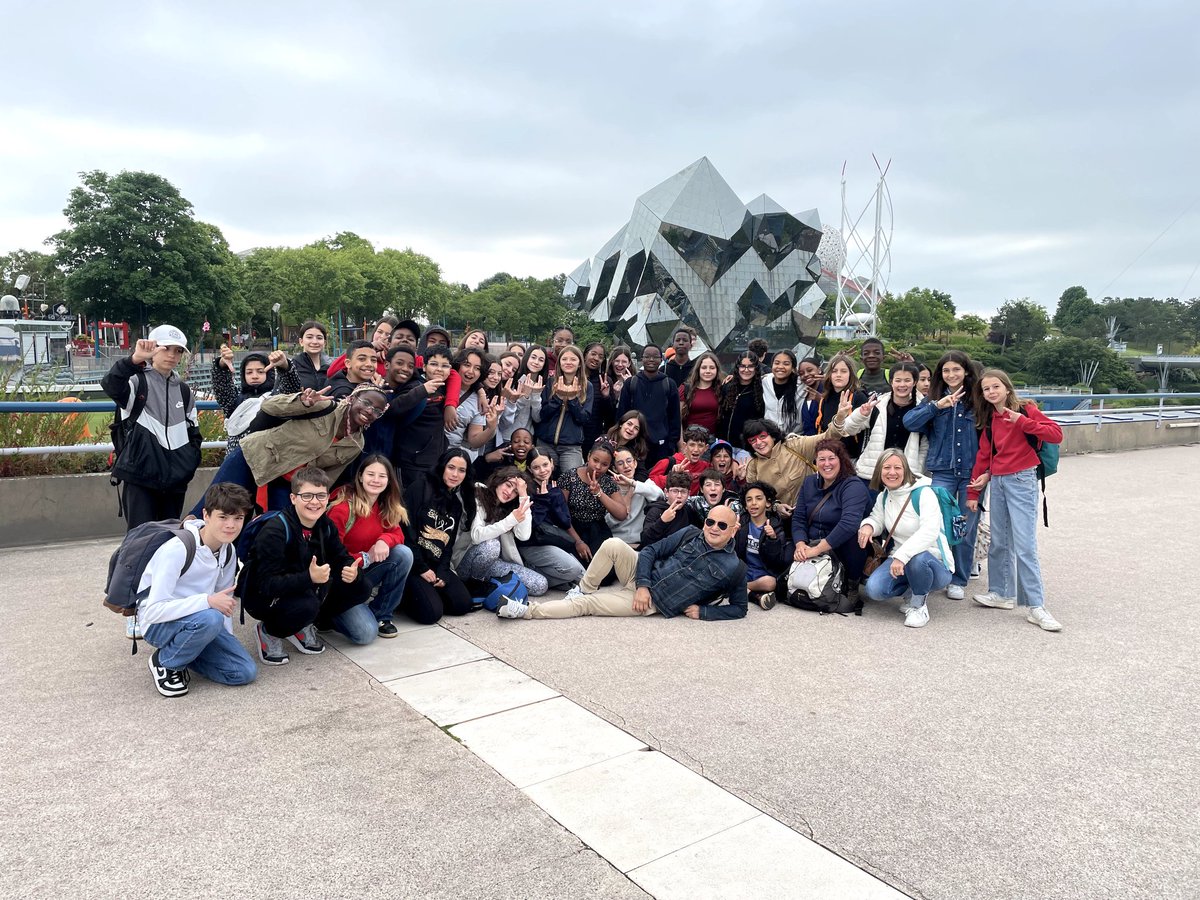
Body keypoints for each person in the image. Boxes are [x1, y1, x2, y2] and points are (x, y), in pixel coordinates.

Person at [496, 505, 747, 621]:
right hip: (642, 580)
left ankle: (526, 611)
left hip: (653, 602)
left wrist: (704, 612)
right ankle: (582, 587)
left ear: (733, 530)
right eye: (710, 522)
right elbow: (650, 552)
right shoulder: (691, 533)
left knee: (587, 605)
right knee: (612, 544)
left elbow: (739, 608)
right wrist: (642, 585)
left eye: (722, 525)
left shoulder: (735, 568)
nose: (713, 528)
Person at [239, 467, 374, 666]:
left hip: (306, 586)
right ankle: (269, 632)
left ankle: (303, 623)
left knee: (361, 586)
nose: (314, 502)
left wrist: (351, 571)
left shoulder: (325, 525)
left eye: (320, 496)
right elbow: (265, 584)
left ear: (328, 497)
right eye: (307, 495)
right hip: (266, 597)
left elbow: (340, 556)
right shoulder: (275, 531)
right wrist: (308, 578)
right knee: (306, 606)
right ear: (293, 498)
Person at [967, 368, 1064, 631]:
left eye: (995, 387)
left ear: (1007, 388)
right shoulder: (989, 418)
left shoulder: (1025, 409)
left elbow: (1055, 434)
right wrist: (976, 489)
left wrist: (1021, 421)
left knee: (1025, 545)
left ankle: (1036, 606)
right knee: (1000, 540)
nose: (991, 392)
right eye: (986, 389)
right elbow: (986, 455)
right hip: (997, 481)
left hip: (1022, 480)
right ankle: (1001, 593)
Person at [197, 383, 388, 516]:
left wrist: (314, 501)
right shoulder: (323, 405)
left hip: (287, 484)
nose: (370, 411)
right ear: (353, 398)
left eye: (377, 411)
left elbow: (328, 478)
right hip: (255, 458)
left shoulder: (356, 444)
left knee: (272, 526)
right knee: (214, 509)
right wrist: (302, 402)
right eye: (367, 403)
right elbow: (269, 406)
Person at [140, 483, 257, 697]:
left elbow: (224, 604)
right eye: (223, 517)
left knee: (244, 672)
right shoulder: (177, 550)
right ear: (206, 514)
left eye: (238, 518)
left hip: (201, 621)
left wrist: (226, 641)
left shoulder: (228, 550)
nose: (231, 525)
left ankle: (185, 654)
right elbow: (153, 612)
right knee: (210, 618)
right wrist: (207, 601)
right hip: (158, 625)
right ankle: (165, 662)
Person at [102, 325, 201, 530]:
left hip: (175, 483)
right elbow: (111, 384)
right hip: (140, 479)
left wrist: (187, 466)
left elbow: (194, 433)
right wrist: (134, 360)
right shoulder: (136, 381)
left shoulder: (184, 391)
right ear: (153, 349)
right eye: (166, 348)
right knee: (140, 542)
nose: (172, 355)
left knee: (169, 542)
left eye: (178, 351)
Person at [903, 350, 982, 600]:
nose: (951, 375)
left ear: (966, 371)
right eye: (946, 371)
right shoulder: (934, 398)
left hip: (972, 472)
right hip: (943, 470)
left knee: (965, 526)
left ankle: (959, 578)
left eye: (956, 369)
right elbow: (910, 422)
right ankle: (941, 569)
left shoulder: (977, 398)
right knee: (938, 523)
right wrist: (938, 406)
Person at [858, 449, 955, 628]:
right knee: (875, 589)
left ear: (906, 470)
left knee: (917, 559)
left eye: (897, 467)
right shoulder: (884, 496)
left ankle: (919, 606)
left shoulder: (924, 493)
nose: (892, 472)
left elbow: (929, 532)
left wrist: (902, 556)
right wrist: (868, 525)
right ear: (880, 471)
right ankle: (913, 590)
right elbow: (877, 518)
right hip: (901, 559)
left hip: (933, 561)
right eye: (887, 467)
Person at [326, 455, 415, 639]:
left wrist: (384, 540)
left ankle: (382, 614)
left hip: (363, 574)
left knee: (403, 554)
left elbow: (398, 534)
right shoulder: (343, 507)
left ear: (389, 480)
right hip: (342, 579)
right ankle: (326, 616)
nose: (376, 480)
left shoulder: (385, 504)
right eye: (370, 474)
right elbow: (330, 554)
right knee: (365, 635)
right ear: (360, 476)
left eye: (382, 476)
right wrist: (365, 557)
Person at [459, 467, 585, 595]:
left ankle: (491, 585)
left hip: (494, 564)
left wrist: (523, 497)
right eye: (508, 485)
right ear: (498, 481)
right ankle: (474, 588)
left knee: (540, 585)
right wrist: (510, 521)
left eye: (515, 491)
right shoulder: (479, 493)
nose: (509, 492)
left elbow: (523, 535)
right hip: (467, 561)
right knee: (491, 546)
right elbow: (476, 536)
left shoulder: (509, 508)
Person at [791, 439, 872, 613]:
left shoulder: (853, 485)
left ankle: (852, 585)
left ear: (841, 460)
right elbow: (799, 518)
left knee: (855, 536)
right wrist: (800, 544)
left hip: (839, 545)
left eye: (831, 458)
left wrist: (816, 550)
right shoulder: (809, 482)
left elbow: (849, 524)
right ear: (816, 462)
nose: (826, 464)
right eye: (821, 459)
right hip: (811, 542)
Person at [742, 394, 851, 516]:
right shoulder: (753, 466)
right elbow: (754, 497)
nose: (759, 443)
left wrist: (840, 416)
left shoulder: (795, 446)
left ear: (772, 436)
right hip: (782, 522)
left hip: (815, 512)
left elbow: (829, 437)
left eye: (762, 437)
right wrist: (775, 507)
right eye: (753, 440)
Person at [402, 449, 476, 623]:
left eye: (461, 470)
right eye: (451, 467)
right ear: (442, 466)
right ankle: (408, 597)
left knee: (463, 605)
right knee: (431, 615)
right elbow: (406, 532)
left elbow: (448, 545)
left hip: (435, 565)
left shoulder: (456, 505)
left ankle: (427, 595)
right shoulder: (420, 487)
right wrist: (421, 568)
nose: (455, 474)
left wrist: (442, 572)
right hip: (413, 564)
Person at [842, 362, 926, 482]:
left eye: (907, 380)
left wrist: (917, 469)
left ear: (915, 382)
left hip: (906, 478)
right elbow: (847, 429)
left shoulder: (922, 410)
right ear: (891, 382)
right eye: (898, 380)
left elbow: (924, 446)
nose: (902, 385)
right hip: (872, 475)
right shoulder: (877, 405)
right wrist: (860, 414)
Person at [392, 346, 451, 488]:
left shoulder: (444, 387)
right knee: (406, 504)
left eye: (445, 366)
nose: (439, 369)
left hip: (433, 461)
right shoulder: (414, 385)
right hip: (410, 463)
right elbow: (393, 408)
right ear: (424, 367)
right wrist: (422, 391)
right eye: (434, 364)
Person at [524, 449, 594, 565]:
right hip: (538, 541)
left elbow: (565, 521)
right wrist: (543, 500)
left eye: (545, 465)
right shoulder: (528, 489)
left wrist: (555, 496)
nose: (542, 470)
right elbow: (533, 524)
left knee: (586, 563)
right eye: (536, 467)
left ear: (551, 463)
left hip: (556, 535)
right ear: (529, 469)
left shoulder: (553, 487)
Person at [617, 344, 680, 469]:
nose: (651, 360)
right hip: (634, 443)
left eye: (655, 357)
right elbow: (621, 414)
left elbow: (675, 417)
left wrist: (671, 443)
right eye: (647, 356)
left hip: (661, 445)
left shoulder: (669, 384)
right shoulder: (631, 383)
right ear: (642, 358)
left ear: (661, 359)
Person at [559, 438, 627, 554]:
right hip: (572, 528)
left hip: (597, 530)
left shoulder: (607, 482)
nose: (598, 467)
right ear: (588, 456)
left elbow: (622, 514)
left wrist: (599, 493)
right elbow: (561, 514)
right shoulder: (569, 477)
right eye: (595, 460)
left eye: (604, 464)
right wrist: (578, 542)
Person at [534, 344, 593, 473]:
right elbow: (542, 415)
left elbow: (584, 418)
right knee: (542, 479)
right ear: (559, 362)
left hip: (571, 446)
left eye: (573, 359)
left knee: (573, 481)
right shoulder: (550, 382)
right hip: (545, 442)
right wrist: (558, 398)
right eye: (564, 359)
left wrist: (572, 400)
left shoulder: (587, 386)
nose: (568, 362)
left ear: (579, 364)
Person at [735, 481, 791, 610]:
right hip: (745, 570)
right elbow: (734, 554)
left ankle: (743, 588)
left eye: (758, 498)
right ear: (745, 505)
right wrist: (732, 536)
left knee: (770, 583)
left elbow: (777, 561)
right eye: (749, 500)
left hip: (763, 574)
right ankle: (755, 596)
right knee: (725, 574)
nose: (753, 503)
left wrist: (772, 539)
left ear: (768, 503)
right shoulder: (741, 522)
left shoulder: (775, 525)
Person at [211, 345, 276, 449]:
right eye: (249, 372)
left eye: (260, 371)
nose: (254, 376)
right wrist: (221, 365)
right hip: (239, 456)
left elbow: (291, 387)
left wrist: (285, 367)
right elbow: (222, 388)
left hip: (269, 456)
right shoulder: (235, 399)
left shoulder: (276, 397)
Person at [815, 353, 870, 459]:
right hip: (828, 456)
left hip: (852, 458)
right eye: (834, 371)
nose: (838, 374)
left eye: (843, 371)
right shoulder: (825, 398)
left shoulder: (859, 396)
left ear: (851, 374)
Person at [607, 446, 663, 548]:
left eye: (629, 461)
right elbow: (607, 522)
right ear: (614, 468)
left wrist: (633, 485)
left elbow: (660, 496)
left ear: (635, 463)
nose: (626, 466)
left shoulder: (644, 485)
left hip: (642, 543)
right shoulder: (609, 489)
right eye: (620, 463)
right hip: (617, 543)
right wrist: (622, 506)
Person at [499, 344, 547, 442]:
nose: (536, 362)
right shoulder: (513, 380)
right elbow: (506, 418)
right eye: (533, 357)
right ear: (526, 358)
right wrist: (523, 397)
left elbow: (537, 418)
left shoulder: (543, 385)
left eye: (541, 360)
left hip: (528, 437)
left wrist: (536, 395)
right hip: (508, 437)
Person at [716, 352, 765, 448]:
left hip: (747, 446)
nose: (746, 370)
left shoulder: (761, 390)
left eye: (750, 366)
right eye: (742, 366)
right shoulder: (727, 386)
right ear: (737, 367)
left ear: (756, 368)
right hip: (724, 444)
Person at [326, 316, 396, 380]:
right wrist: (369, 347)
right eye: (379, 332)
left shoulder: (392, 361)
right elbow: (331, 372)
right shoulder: (359, 350)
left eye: (387, 334)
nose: (381, 337)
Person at [648, 425, 713, 494]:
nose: (696, 449)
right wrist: (672, 476)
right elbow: (649, 484)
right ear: (685, 445)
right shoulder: (668, 462)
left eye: (700, 446)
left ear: (706, 448)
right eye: (692, 445)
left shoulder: (706, 467)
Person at [640, 470, 696, 546]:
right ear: (666, 492)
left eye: (683, 492)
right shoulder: (655, 511)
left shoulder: (688, 511)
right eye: (675, 491)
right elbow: (645, 540)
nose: (679, 496)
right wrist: (662, 521)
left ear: (688, 494)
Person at [761, 350, 804, 435]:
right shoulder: (764, 382)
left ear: (793, 367)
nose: (780, 367)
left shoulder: (802, 384)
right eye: (777, 363)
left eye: (786, 364)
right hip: (770, 437)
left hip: (795, 439)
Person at [581, 342, 613, 452]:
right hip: (574, 433)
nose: (596, 358)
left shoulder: (606, 381)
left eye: (600, 356)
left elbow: (609, 415)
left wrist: (606, 397)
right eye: (593, 354)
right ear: (585, 355)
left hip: (594, 433)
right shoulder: (575, 377)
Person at [680, 351, 722, 435]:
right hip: (690, 441)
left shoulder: (721, 389)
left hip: (713, 441)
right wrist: (681, 444)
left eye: (712, 368)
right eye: (704, 367)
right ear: (698, 369)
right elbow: (677, 420)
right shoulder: (685, 389)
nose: (708, 371)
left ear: (717, 370)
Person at [606, 410, 651, 477]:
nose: (631, 429)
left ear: (638, 434)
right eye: (629, 424)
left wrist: (630, 482)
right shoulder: (604, 441)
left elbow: (642, 474)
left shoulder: (637, 449)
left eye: (636, 428)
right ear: (621, 424)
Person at [291, 320, 331, 390]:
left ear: (324, 343)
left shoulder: (332, 367)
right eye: (309, 337)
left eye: (319, 338)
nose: (315, 342)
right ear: (301, 341)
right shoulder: (291, 367)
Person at [797, 357, 824, 436]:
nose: (806, 375)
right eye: (801, 373)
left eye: (809, 370)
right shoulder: (802, 393)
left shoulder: (828, 389)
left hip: (825, 441)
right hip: (806, 442)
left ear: (819, 370)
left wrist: (821, 400)